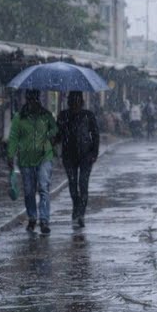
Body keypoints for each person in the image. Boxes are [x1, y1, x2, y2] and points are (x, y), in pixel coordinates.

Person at [7, 89, 59, 234]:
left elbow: (55, 129)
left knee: (43, 187)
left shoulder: (46, 115)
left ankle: (44, 220)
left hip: (44, 157)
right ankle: (32, 217)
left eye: (36, 99)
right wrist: (10, 155)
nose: (33, 102)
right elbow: (13, 138)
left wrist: (48, 136)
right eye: (30, 99)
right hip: (26, 159)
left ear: (39, 99)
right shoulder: (19, 118)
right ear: (27, 100)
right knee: (29, 191)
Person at [57, 91, 101, 228]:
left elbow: (95, 134)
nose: (75, 104)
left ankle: (81, 213)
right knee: (72, 184)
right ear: (69, 102)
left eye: (78, 101)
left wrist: (94, 152)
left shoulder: (88, 115)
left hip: (86, 156)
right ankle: (76, 206)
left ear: (81, 102)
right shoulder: (63, 115)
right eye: (73, 101)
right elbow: (59, 134)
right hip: (69, 155)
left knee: (83, 183)